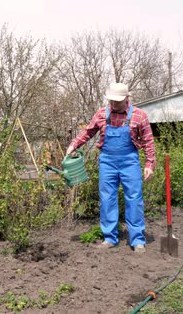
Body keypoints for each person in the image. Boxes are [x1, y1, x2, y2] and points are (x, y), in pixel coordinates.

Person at [66, 83, 155, 253]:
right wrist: (73, 145)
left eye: (117, 101)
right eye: (111, 101)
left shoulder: (139, 116)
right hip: (107, 161)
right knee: (107, 198)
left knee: (134, 199)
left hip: (130, 161)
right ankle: (109, 237)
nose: (113, 104)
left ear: (127, 98)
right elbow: (87, 132)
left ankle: (137, 240)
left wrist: (150, 164)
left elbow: (148, 141)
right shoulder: (101, 114)